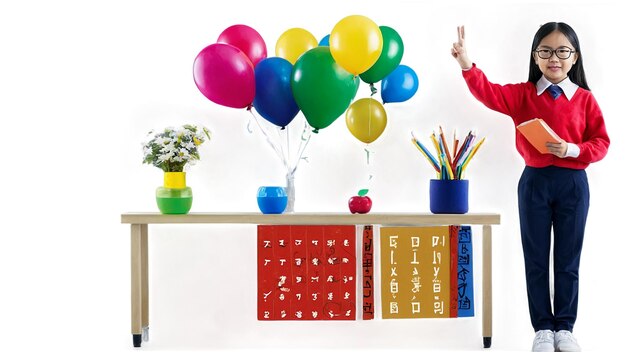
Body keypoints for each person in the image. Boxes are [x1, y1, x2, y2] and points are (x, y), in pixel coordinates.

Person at [451, 23, 610, 352]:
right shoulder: (522, 95)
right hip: (534, 183)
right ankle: (542, 328)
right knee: (535, 258)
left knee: (568, 258)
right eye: (546, 51)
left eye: (562, 51)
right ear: (535, 57)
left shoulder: (585, 99)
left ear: (575, 57)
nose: (554, 58)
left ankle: (565, 327)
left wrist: (572, 149)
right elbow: (489, 93)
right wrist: (467, 64)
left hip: (573, 184)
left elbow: (602, 142)